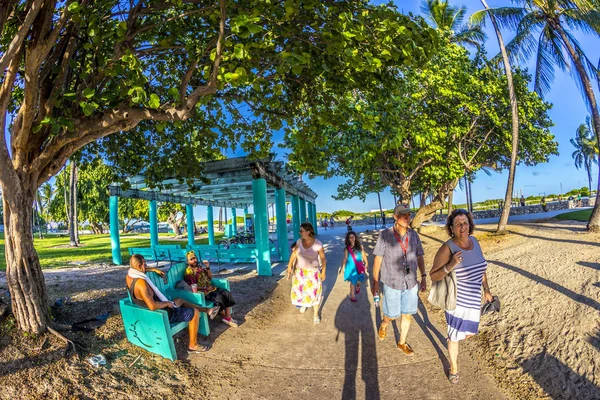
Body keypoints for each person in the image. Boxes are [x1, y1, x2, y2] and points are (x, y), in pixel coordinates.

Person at [429, 209, 494, 384]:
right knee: (455, 338)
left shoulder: (475, 242)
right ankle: (454, 368)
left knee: (469, 333)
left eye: (465, 223)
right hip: (456, 303)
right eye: (458, 224)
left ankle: (451, 339)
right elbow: (433, 276)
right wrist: (450, 264)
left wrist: (486, 289)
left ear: (470, 225)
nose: (462, 227)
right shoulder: (447, 248)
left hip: (473, 302)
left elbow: (481, 269)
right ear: (451, 228)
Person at [126, 254, 218, 353]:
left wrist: (154, 270)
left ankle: (207, 310)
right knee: (194, 313)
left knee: (179, 300)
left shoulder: (130, 275)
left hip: (152, 311)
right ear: (139, 266)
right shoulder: (141, 283)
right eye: (145, 264)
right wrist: (166, 304)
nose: (146, 266)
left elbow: (143, 270)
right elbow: (152, 306)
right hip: (162, 314)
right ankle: (192, 346)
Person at [371, 204, 426, 356]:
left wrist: (424, 276)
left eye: (409, 215)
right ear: (395, 217)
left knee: (407, 314)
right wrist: (375, 282)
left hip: (410, 282)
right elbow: (378, 260)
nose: (407, 218)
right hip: (392, 283)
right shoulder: (385, 235)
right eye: (403, 215)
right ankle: (384, 324)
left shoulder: (414, 235)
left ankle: (401, 342)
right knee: (391, 315)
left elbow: (420, 256)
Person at [182, 251, 238, 327]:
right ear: (188, 261)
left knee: (226, 293)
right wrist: (205, 288)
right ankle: (226, 317)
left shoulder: (200, 267)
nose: (194, 260)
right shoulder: (189, 272)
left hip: (211, 288)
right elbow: (193, 285)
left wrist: (208, 267)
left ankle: (227, 316)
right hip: (203, 292)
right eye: (191, 259)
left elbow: (210, 277)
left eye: (194, 258)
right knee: (219, 297)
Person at [286, 222, 327, 324]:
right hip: (300, 272)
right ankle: (304, 304)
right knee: (300, 292)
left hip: (313, 272)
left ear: (308, 232)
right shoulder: (299, 242)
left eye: (301, 231)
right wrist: (290, 266)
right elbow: (294, 254)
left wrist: (323, 272)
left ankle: (316, 314)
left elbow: (323, 259)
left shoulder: (318, 244)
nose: (300, 233)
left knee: (315, 293)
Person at [339, 231, 369, 302]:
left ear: (355, 237)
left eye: (353, 237)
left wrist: (366, 262)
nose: (351, 239)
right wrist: (343, 267)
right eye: (350, 237)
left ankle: (358, 286)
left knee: (359, 280)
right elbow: (345, 258)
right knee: (353, 281)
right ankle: (352, 295)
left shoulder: (360, 247)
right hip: (351, 267)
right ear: (348, 239)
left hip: (359, 266)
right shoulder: (347, 249)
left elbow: (363, 255)